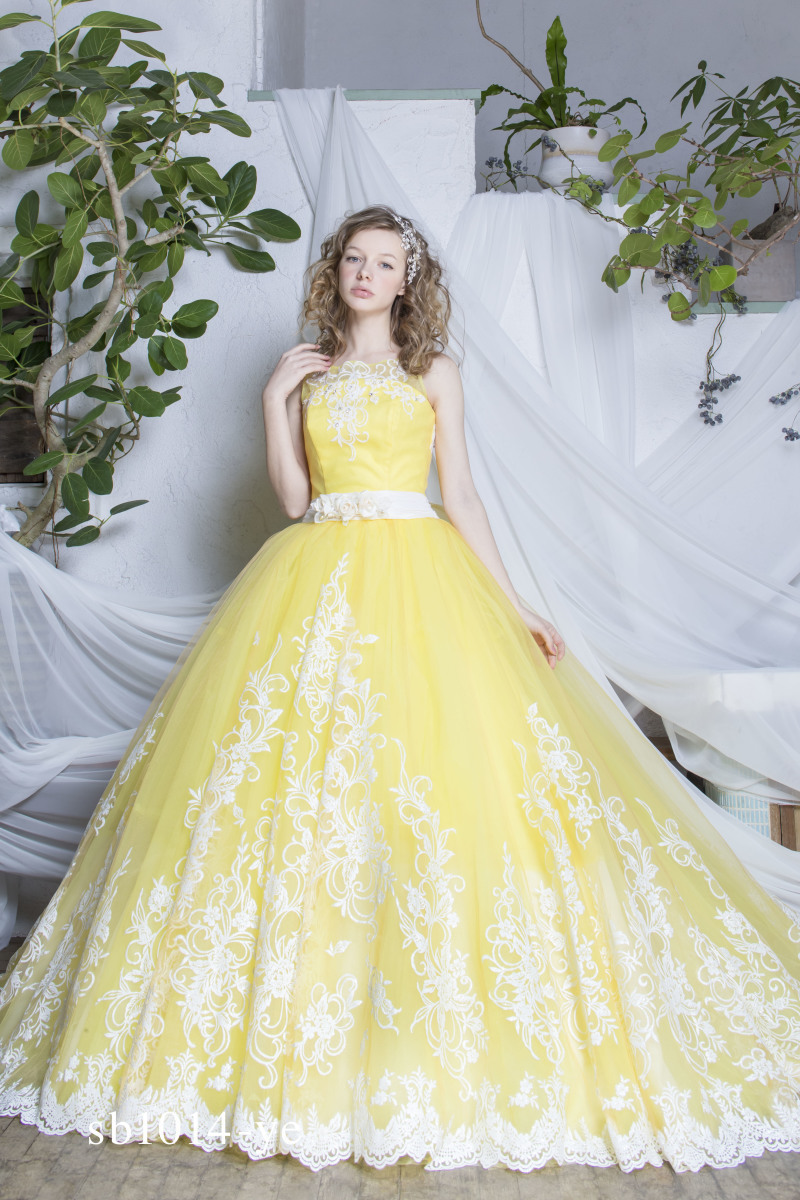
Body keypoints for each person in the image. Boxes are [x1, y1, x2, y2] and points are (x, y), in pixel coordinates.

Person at [0, 204, 799, 1174]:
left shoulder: (435, 373)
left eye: (385, 263)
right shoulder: (308, 372)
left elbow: (461, 496)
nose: (366, 274)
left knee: (432, 793)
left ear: (408, 280)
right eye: (354, 259)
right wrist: (273, 401)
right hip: (314, 579)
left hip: (422, 583)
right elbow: (295, 501)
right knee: (302, 802)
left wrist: (513, 606)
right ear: (334, 270)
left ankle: (423, 1029)